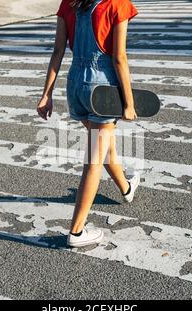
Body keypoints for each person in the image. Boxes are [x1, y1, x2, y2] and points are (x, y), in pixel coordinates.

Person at [37, 0, 140, 248]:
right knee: (93, 162)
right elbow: (119, 58)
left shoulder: (69, 3)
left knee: (105, 147)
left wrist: (46, 94)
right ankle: (76, 231)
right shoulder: (118, 4)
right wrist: (129, 102)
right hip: (101, 90)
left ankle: (126, 188)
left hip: (75, 86)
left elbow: (58, 51)